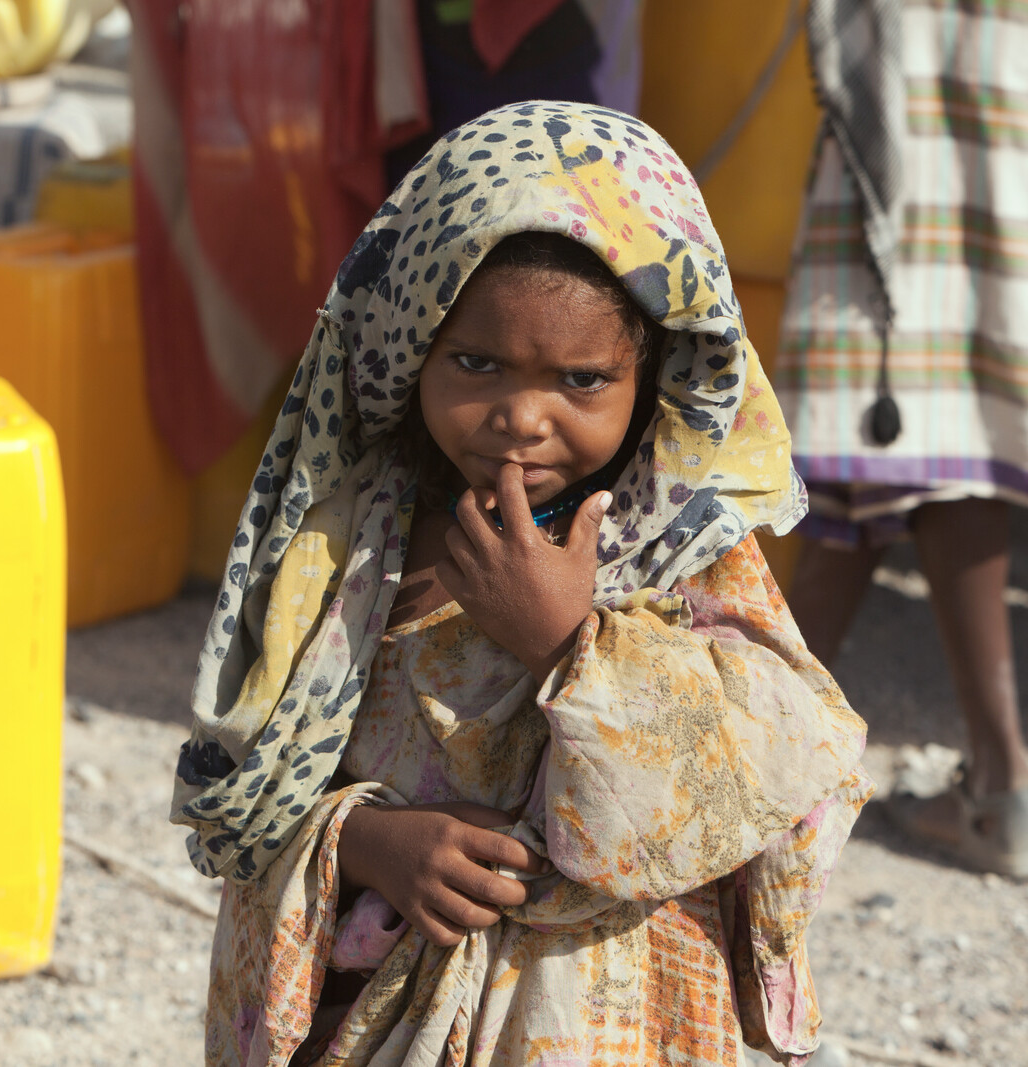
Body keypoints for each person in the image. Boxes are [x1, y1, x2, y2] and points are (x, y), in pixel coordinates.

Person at [171, 101, 872, 1067]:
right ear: (411, 342)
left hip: (589, 1020)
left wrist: (569, 642)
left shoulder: (680, 542)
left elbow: (789, 776)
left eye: (581, 380)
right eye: (476, 363)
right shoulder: (347, 535)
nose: (522, 418)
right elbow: (243, 792)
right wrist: (370, 842)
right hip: (365, 1005)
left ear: (656, 370)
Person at [777, 0, 1028, 879]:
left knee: (901, 422)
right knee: (908, 434)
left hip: (910, 116)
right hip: (1003, 102)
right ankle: (760, 762)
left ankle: (756, 770)